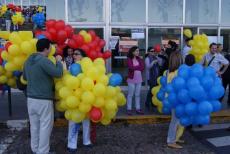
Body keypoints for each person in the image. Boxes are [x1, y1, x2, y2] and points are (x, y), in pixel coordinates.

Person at [23, 38, 63, 154]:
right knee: (45, 126)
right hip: (43, 100)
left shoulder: (28, 60)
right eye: (50, 47)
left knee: (34, 126)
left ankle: (35, 149)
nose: (51, 49)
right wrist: (59, 61)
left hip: (31, 99)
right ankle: (43, 152)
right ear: (46, 49)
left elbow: (25, 78)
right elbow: (58, 73)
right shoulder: (44, 61)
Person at [67, 48, 92, 153]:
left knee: (86, 120)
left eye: (77, 54)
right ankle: (72, 144)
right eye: (74, 54)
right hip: (74, 97)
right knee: (74, 120)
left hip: (86, 96)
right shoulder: (71, 66)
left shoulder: (87, 66)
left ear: (82, 55)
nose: (74, 56)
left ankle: (86, 141)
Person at [167, 51, 184, 149]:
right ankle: (171, 140)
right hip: (175, 100)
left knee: (176, 121)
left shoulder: (171, 72)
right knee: (174, 121)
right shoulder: (174, 74)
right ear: (178, 60)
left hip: (175, 99)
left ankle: (175, 138)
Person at [126, 46, 144, 115]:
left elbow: (142, 68)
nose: (138, 52)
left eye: (138, 51)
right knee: (130, 95)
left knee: (137, 94)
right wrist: (137, 67)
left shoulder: (139, 59)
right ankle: (129, 108)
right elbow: (131, 68)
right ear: (132, 52)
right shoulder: (129, 59)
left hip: (139, 79)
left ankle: (138, 108)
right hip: (131, 79)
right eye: (136, 51)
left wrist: (136, 67)